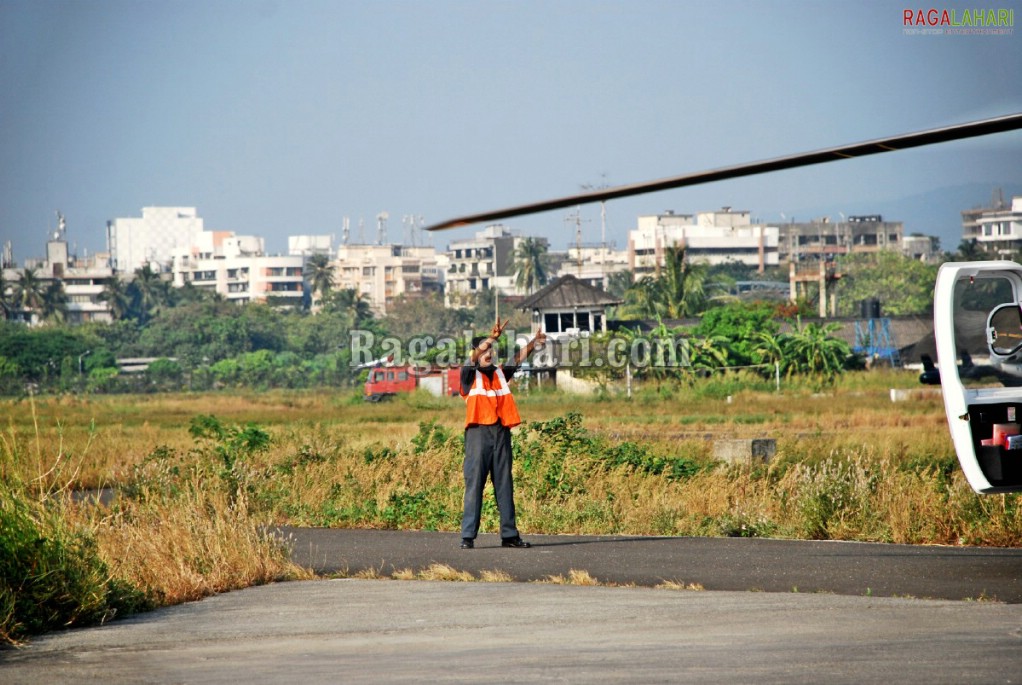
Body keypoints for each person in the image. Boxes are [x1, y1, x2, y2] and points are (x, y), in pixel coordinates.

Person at [459, 319, 546, 550]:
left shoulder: (499, 374)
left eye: (492, 350)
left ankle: (509, 536)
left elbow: (516, 360)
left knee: (505, 484)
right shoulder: (468, 375)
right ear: (476, 354)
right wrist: (492, 338)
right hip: (478, 434)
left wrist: (533, 343)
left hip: (500, 433)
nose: (490, 353)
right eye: (485, 350)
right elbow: (474, 357)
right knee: (474, 484)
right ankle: (467, 537)